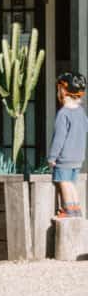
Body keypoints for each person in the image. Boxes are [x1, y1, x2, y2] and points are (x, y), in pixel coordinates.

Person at [47, 72, 87, 218]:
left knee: (64, 182)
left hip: (65, 157)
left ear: (63, 90)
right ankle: (76, 208)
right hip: (78, 157)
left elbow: (59, 138)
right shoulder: (81, 113)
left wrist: (52, 157)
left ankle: (68, 209)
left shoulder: (63, 114)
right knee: (72, 183)